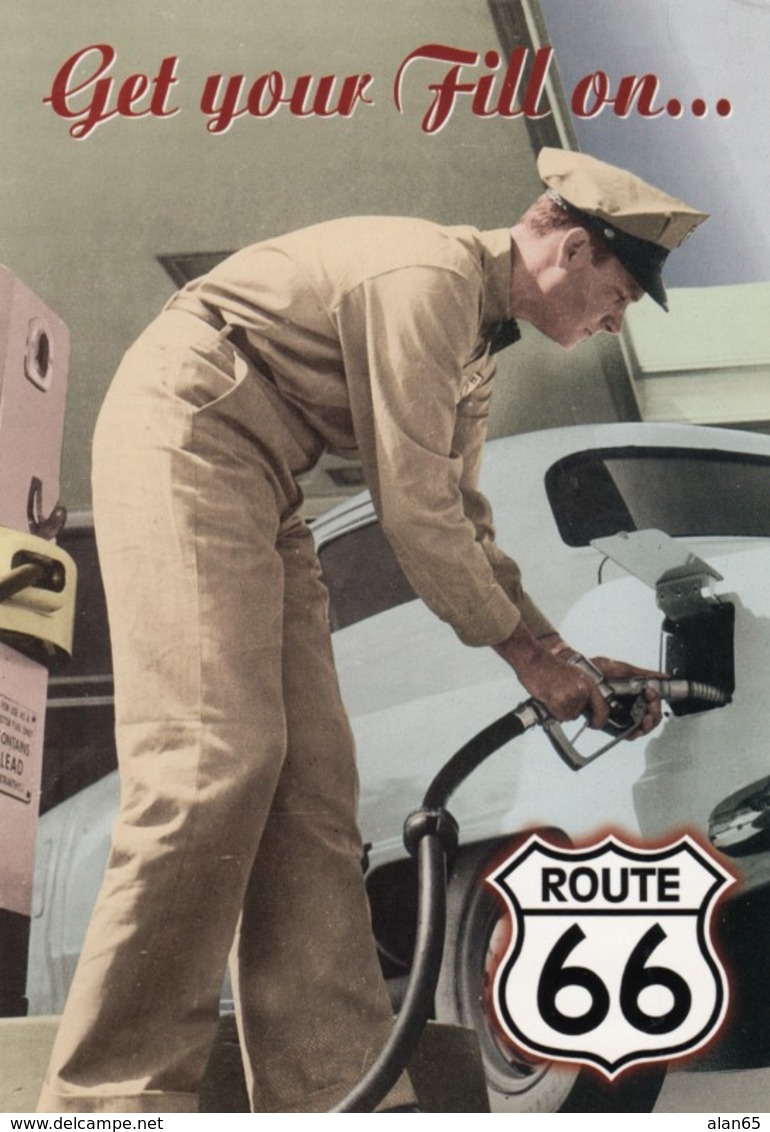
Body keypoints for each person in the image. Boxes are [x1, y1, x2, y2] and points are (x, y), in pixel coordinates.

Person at [38, 147, 707, 1113]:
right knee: (212, 761)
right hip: (185, 432)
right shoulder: (426, 280)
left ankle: (332, 1093)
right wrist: (526, 658)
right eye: (621, 295)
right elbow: (416, 513)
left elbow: (462, 515)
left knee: (312, 792)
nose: (614, 321)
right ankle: (106, 1096)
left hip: (266, 482)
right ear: (568, 247)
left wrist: (555, 653)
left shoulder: (476, 342)